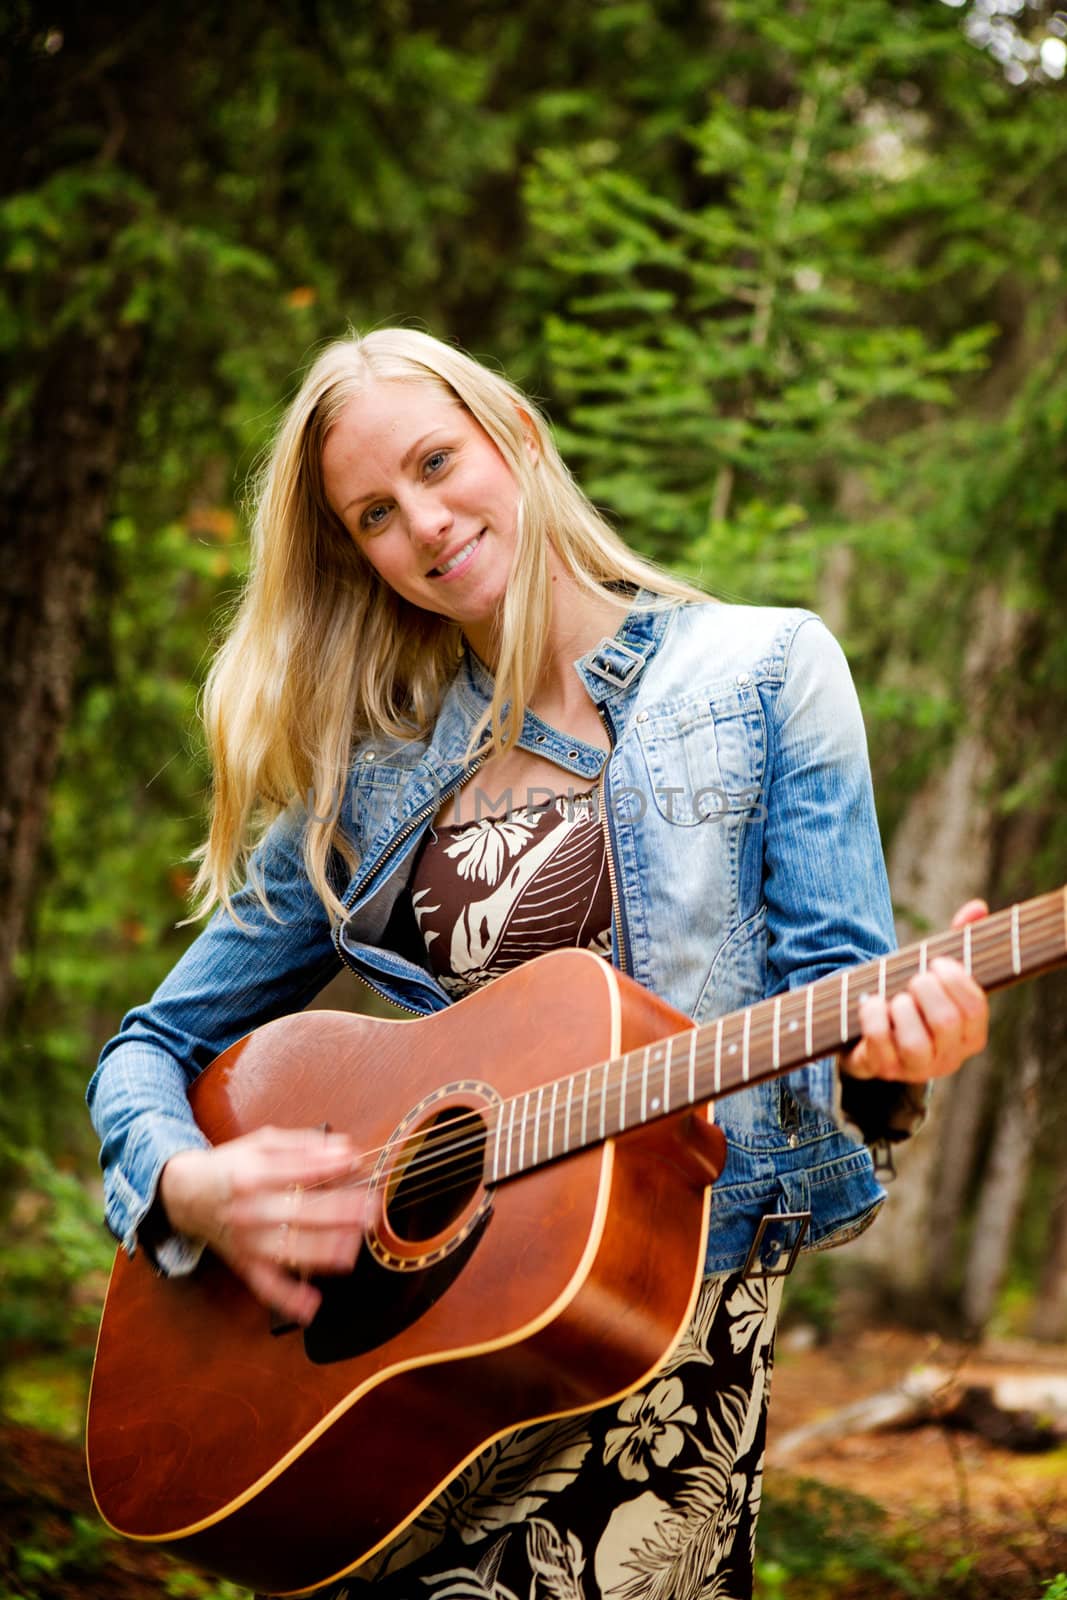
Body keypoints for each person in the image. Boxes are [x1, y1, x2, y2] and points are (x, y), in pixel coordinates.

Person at [88, 327, 989, 1599]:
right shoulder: (367, 780)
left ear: (511, 428)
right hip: (393, 1369)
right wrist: (186, 1187)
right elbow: (151, 1050)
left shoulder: (762, 673)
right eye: (374, 514)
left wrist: (900, 1067)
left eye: (436, 460)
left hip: (653, 1343)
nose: (425, 522)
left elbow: (841, 1023)